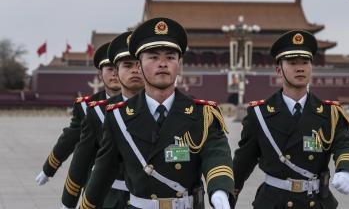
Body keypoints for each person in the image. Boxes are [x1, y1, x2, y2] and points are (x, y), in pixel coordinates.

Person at [79, 17, 234, 209]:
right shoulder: (118, 116)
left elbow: (216, 154)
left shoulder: (202, 113)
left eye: (170, 57)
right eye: (153, 57)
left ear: (179, 64)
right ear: (139, 65)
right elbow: (102, 174)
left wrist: (219, 192)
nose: (163, 63)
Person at [233, 30, 349, 209]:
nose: (300, 68)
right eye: (292, 63)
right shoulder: (260, 114)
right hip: (274, 203)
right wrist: (226, 196)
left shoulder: (329, 113)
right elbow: (242, 162)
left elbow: (346, 144)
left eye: (305, 62)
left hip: (315, 202)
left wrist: (347, 169)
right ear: (279, 70)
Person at [61, 32, 145, 209]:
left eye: (139, 65)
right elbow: (82, 160)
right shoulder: (100, 112)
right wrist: (69, 202)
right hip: (110, 196)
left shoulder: (172, 109)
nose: (135, 70)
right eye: (127, 65)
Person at [36, 43, 121, 186]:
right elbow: (69, 139)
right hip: (100, 187)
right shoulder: (86, 107)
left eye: (120, 68)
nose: (115, 73)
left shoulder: (145, 103)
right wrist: (48, 169)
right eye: (110, 69)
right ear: (100, 74)